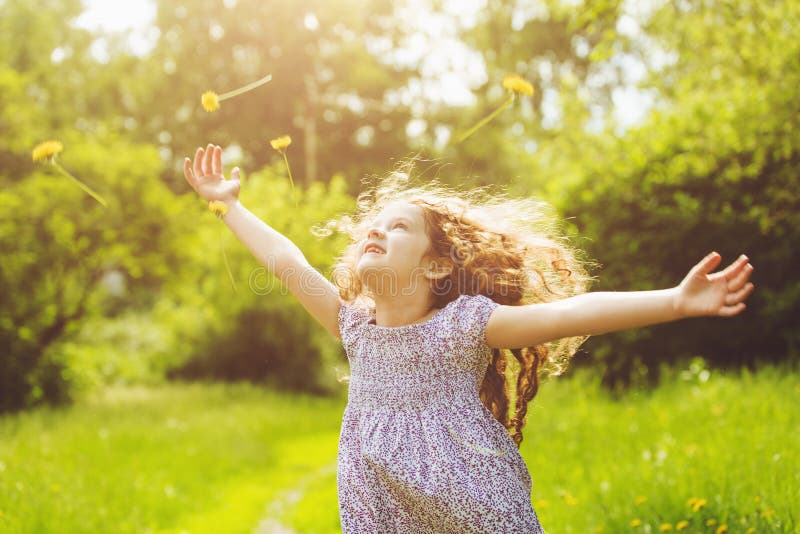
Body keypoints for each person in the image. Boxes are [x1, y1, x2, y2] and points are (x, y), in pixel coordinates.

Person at [183, 144, 755, 533]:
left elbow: (573, 313)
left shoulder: (463, 325)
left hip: (478, 509)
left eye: (399, 226)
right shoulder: (353, 327)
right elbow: (286, 260)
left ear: (434, 269)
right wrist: (228, 204)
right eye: (372, 227)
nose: (377, 229)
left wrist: (675, 302)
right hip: (386, 512)